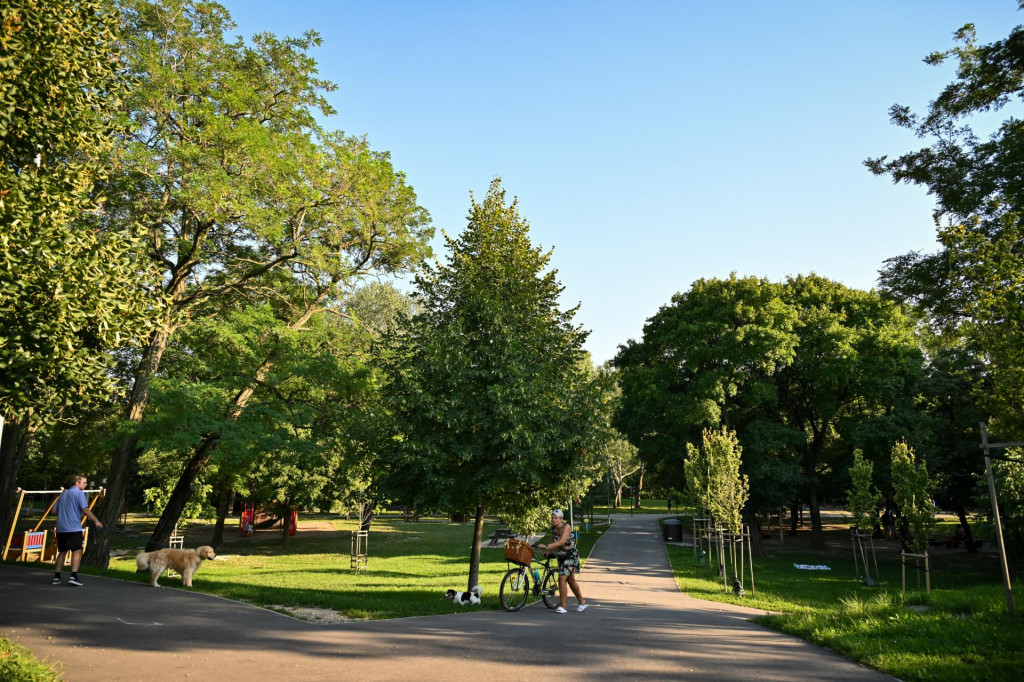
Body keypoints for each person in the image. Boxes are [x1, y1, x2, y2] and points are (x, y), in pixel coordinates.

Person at [52, 475, 102, 586]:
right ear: (77, 483)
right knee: (77, 551)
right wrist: (96, 521)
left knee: (62, 552)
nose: (85, 484)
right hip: (73, 528)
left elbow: (54, 511)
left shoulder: (63, 494)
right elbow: (85, 509)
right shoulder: (79, 493)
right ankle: (73, 576)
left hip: (61, 528)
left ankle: (57, 577)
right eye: (83, 482)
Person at [539, 509, 588, 614]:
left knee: (561, 578)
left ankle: (563, 606)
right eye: (552, 518)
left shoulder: (566, 527)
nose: (553, 520)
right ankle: (582, 602)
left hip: (571, 556)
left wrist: (547, 546)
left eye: (556, 518)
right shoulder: (554, 529)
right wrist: (548, 551)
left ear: (561, 519)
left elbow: (561, 542)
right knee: (570, 580)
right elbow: (553, 541)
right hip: (561, 557)